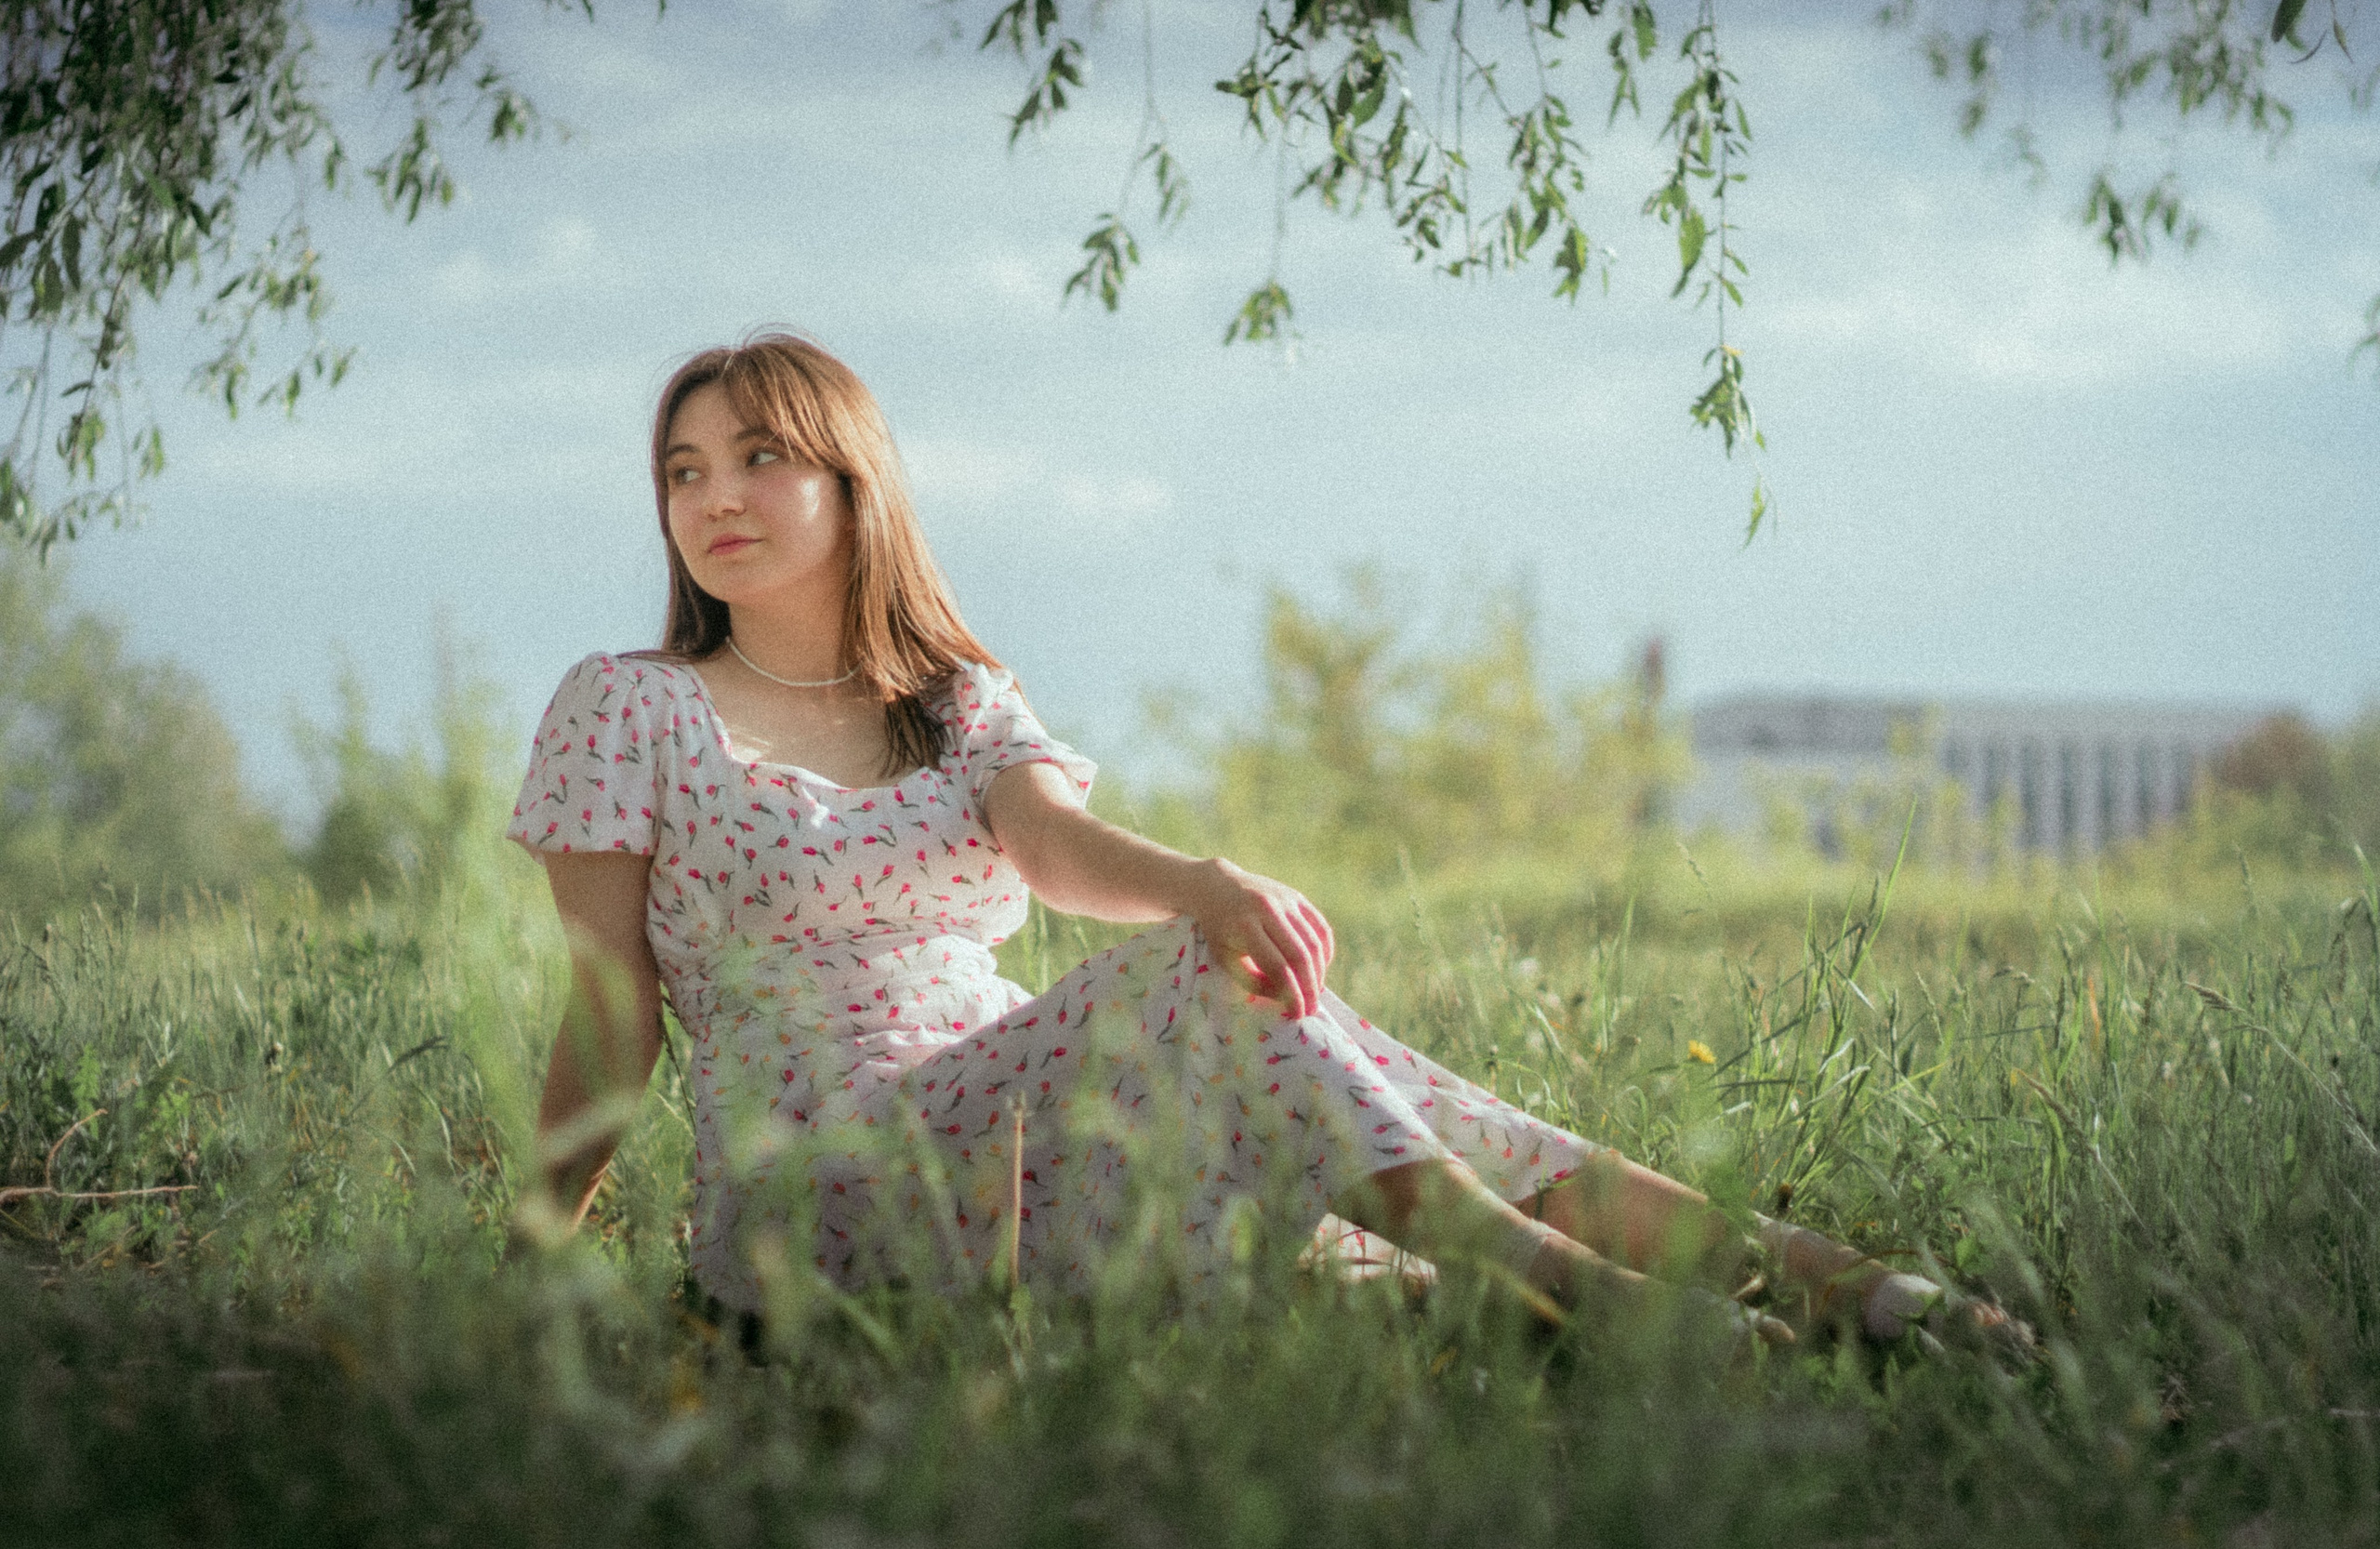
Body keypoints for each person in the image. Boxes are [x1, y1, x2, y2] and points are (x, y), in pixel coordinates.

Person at [508, 330, 2004, 1356]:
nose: (713, 498)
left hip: (1030, 1145)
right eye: (684, 470)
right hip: (818, 1192)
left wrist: (1207, 884)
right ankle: (1590, 1298)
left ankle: (1869, 1301)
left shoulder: (957, 700)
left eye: (757, 458)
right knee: (1199, 983)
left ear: (851, 481)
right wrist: (528, 1258)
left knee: (1366, 1076)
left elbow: (1051, 846)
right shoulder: (629, 709)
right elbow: (612, 1012)